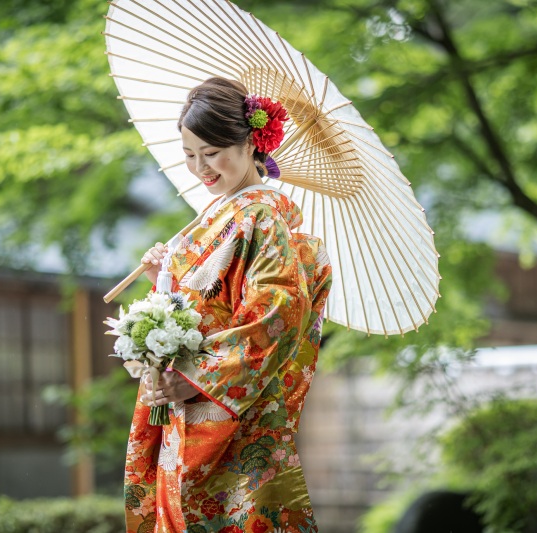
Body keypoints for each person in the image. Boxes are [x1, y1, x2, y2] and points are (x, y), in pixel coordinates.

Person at [124, 77, 332, 533]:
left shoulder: (263, 215)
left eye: (211, 152)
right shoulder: (225, 213)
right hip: (184, 408)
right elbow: (195, 301)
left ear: (249, 142)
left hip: (223, 414)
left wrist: (196, 377)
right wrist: (164, 274)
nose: (200, 167)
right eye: (189, 154)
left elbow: (276, 313)